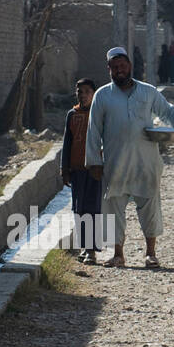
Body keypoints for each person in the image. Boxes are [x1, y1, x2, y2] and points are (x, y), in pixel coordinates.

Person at [85, 46, 174, 269]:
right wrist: (94, 162)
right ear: (109, 69)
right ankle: (118, 254)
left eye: (123, 66)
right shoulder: (103, 95)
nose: (119, 70)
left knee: (150, 206)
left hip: (146, 162)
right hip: (115, 163)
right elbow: (93, 130)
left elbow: (168, 111)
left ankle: (151, 253)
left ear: (130, 66)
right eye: (115, 67)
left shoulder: (148, 92)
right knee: (113, 208)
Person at [60, 77, 102, 264]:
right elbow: (67, 143)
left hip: (95, 169)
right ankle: (85, 247)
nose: (83, 95)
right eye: (80, 92)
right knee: (79, 209)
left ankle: (92, 250)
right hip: (77, 170)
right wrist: (64, 169)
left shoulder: (99, 114)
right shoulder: (72, 115)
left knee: (93, 209)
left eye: (87, 92)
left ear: (94, 94)